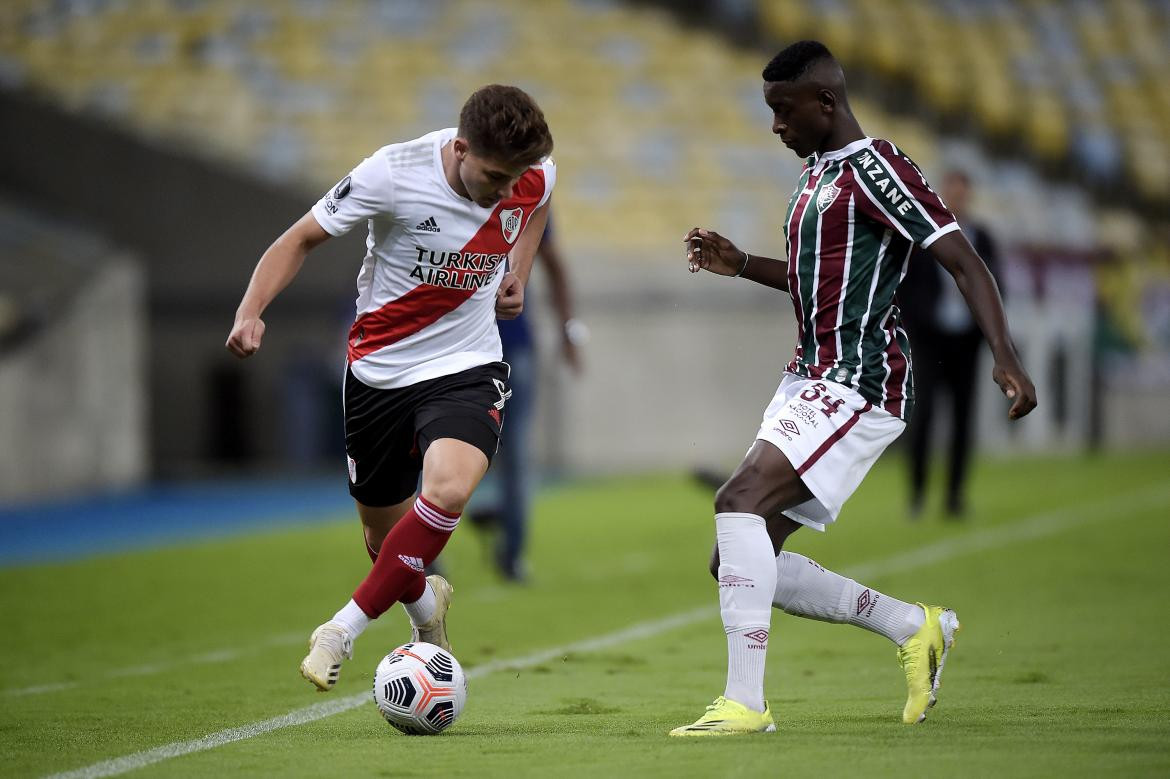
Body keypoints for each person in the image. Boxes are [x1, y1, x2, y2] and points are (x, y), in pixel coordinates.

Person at [671, 41, 1036, 736]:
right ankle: (915, 626)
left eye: (784, 110)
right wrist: (741, 261)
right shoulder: (817, 176)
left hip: (859, 379)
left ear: (826, 102)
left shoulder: (880, 167)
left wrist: (1006, 356)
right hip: (810, 376)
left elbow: (962, 259)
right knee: (736, 557)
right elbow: (820, 279)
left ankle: (745, 704)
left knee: (737, 498)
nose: (776, 125)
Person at [225, 85, 556, 692]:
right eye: (494, 175)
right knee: (385, 539)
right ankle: (426, 609)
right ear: (460, 149)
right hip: (378, 372)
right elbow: (297, 238)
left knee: (449, 489)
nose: (508, 190)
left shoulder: (531, 174)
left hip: (468, 363)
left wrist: (520, 272)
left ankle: (341, 630)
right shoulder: (391, 174)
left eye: (517, 177)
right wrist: (251, 311)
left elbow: (534, 207)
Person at [468, 212, 583, 581]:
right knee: (430, 448)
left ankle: (512, 554)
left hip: (511, 347)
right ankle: (422, 556)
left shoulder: (529, 201)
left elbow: (554, 266)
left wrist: (568, 331)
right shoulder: (451, 191)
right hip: (459, 346)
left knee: (515, 451)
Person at [900, 169, 1002, 518]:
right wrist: (917, 325)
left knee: (962, 418)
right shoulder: (921, 233)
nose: (957, 198)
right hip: (930, 340)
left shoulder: (982, 237)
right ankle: (917, 495)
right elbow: (906, 286)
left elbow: (994, 284)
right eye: (951, 192)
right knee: (924, 416)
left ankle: (955, 497)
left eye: (962, 192)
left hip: (965, 342)